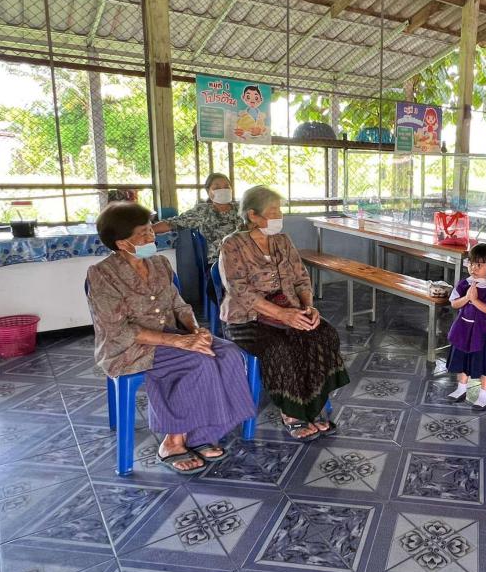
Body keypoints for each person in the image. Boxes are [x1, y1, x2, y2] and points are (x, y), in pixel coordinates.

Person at [87, 202, 255, 474]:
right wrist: (180, 342)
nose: (151, 236)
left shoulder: (159, 263)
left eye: (150, 229)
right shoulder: (102, 274)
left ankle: (202, 433)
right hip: (128, 347)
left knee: (228, 353)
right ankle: (173, 440)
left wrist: (194, 330)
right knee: (197, 361)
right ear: (122, 243)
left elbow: (178, 305)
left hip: (169, 334)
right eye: (142, 234)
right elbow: (118, 329)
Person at [219, 186, 349, 441]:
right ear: (253, 215)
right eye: (273, 212)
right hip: (248, 319)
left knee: (323, 335)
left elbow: (301, 278)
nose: (279, 216)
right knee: (281, 347)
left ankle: (313, 404)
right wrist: (282, 315)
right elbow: (239, 290)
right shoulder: (232, 244)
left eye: (280, 210)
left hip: (290, 310)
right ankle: (292, 412)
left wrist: (308, 307)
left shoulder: (282, 240)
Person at [445, 244, 486, 411]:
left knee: (484, 363)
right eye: (471, 263)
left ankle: (484, 395)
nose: (474, 268)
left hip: (482, 333)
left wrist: (475, 300)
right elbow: (454, 303)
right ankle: (461, 388)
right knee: (461, 359)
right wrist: (467, 298)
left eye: (479, 264)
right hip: (463, 330)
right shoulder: (464, 284)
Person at [154, 173, 239, 265]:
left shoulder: (241, 209)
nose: (223, 190)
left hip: (246, 256)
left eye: (226, 187)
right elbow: (172, 223)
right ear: (208, 192)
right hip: (219, 262)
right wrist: (147, 230)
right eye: (217, 188)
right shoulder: (203, 211)